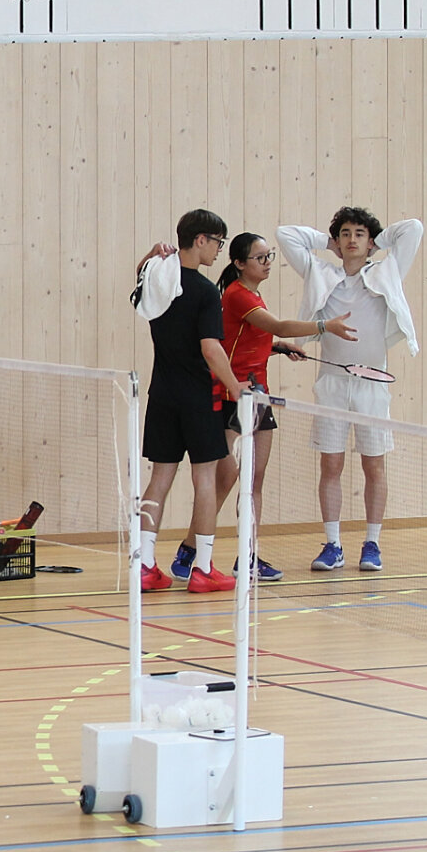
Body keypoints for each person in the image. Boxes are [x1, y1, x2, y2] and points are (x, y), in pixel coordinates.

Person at [169, 233, 356, 582]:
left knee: (254, 480)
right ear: (240, 263)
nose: (268, 263)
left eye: (269, 256)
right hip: (231, 397)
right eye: (260, 258)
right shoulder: (237, 295)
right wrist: (324, 326)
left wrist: (278, 347)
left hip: (259, 397)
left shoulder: (252, 294)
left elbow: (247, 339)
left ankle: (248, 556)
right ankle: (190, 550)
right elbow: (277, 325)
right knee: (225, 479)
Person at [276, 208, 423, 573]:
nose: (352, 239)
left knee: (374, 465)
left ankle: (372, 544)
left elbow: (413, 229)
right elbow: (286, 234)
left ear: (369, 241)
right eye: (345, 233)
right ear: (337, 241)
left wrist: (377, 241)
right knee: (331, 464)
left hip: (373, 385)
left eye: (359, 233)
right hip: (332, 385)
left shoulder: (387, 271)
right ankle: (333, 545)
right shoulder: (320, 273)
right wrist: (327, 244)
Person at [131, 209, 244, 594]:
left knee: (159, 479)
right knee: (205, 478)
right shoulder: (205, 291)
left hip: (162, 395)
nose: (218, 250)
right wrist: (236, 387)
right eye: (217, 243)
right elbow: (211, 349)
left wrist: (150, 255)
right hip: (198, 398)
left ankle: (145, 565)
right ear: (200, 240)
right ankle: (204, 568)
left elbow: (140, 275)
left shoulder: (156, 278)